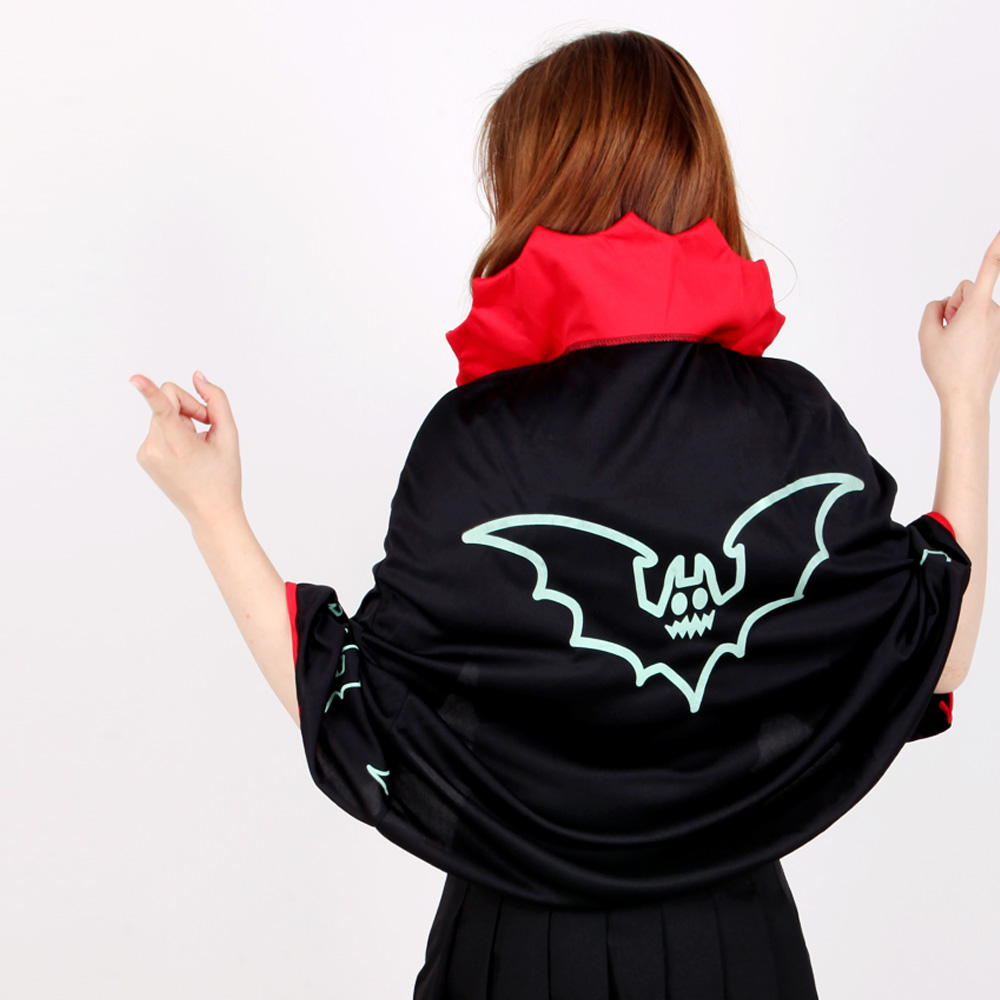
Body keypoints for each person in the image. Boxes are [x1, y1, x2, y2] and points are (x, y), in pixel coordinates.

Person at [129, 28, 997, 1000]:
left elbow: (358, 707)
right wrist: (965, 397)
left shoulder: (475, 443)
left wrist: (214, 511)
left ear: (536, 193)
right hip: (735, 951)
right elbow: (938, 649)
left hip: (515, 952)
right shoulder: (790, 426)